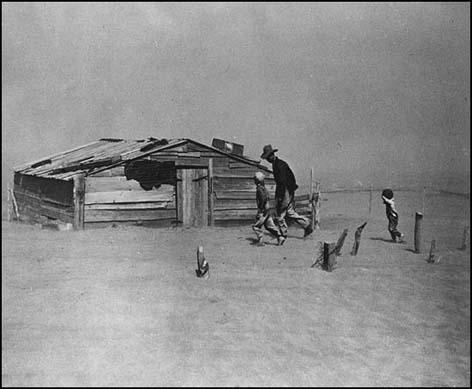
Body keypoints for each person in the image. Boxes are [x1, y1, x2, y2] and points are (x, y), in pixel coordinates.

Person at [260, 145, 313, 245]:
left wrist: (281, 197)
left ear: (272, 155)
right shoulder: (277, 164)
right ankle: (307, 225)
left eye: (267, 157)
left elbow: (283, 183)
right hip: (288, 190)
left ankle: (283, 235)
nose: (267, 160)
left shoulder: (279, 165)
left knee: (280, 214)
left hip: (285, 191)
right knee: (290, 212)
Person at [252, 171, 281, 245]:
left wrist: (260, 209)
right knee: (269, 226)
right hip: (268, 209)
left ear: (257, 180)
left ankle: (260, 240)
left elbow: (263, 199)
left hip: (263, 210)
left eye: (255, 179)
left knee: (256, 226)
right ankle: (280, 237)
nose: (254, 180)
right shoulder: (264, 188)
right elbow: (267, 198)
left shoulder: (259, 189)